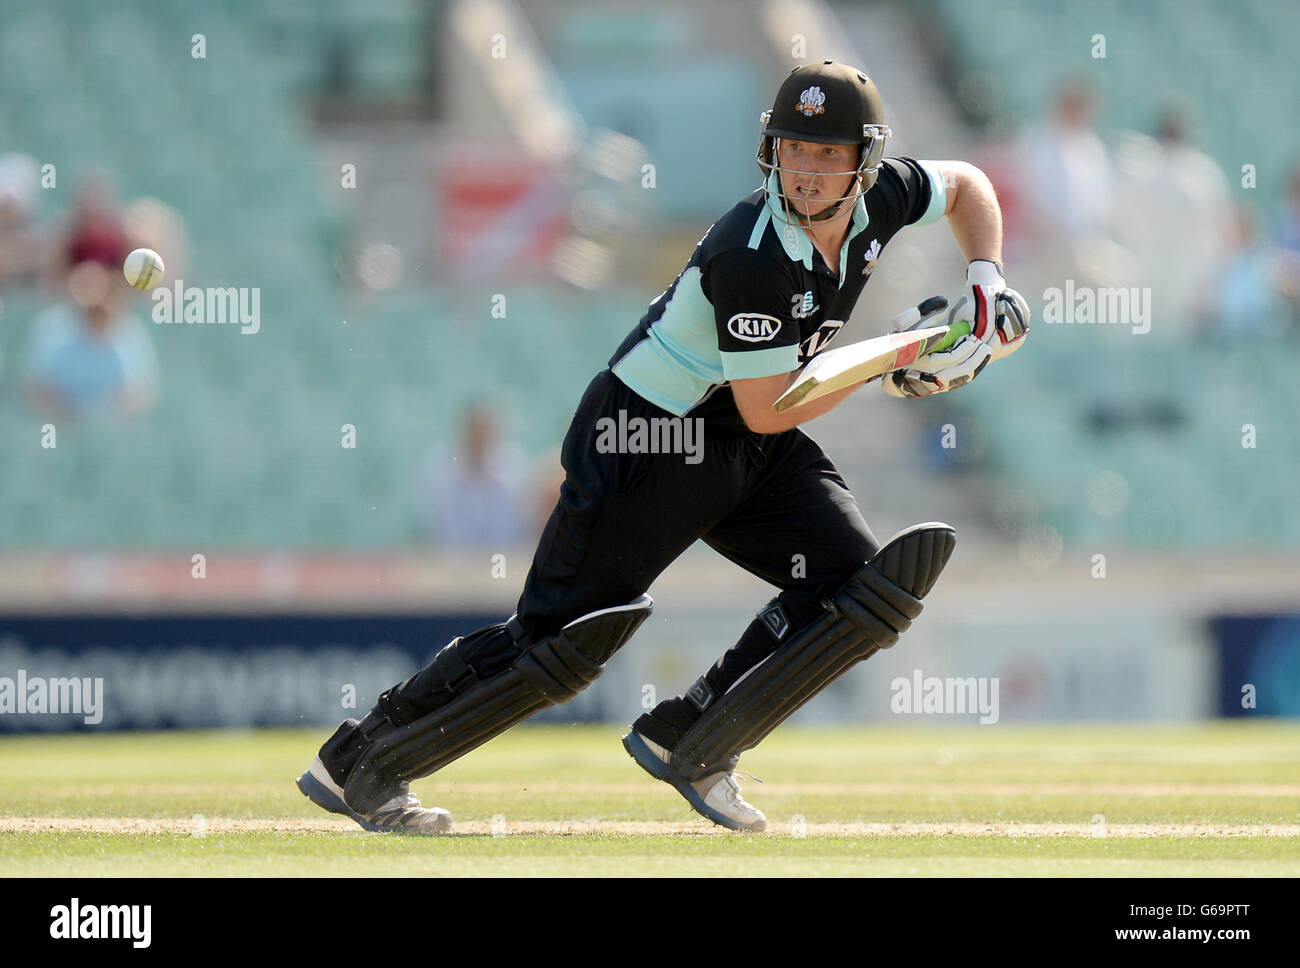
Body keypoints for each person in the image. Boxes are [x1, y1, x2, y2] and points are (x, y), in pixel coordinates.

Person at [296, 61, 1029, 834]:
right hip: (645, 434)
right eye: (792, 149)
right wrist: (903, 355)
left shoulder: (886, 196)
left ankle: (693, 734)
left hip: (737, 432)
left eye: (826, 153)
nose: (806, 170)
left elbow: (971, 185)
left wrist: (987, 279)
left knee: (860, 592)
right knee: (560, 646)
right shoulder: (752, 252)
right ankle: (358, 764)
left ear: (865, 161)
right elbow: (772, 408)